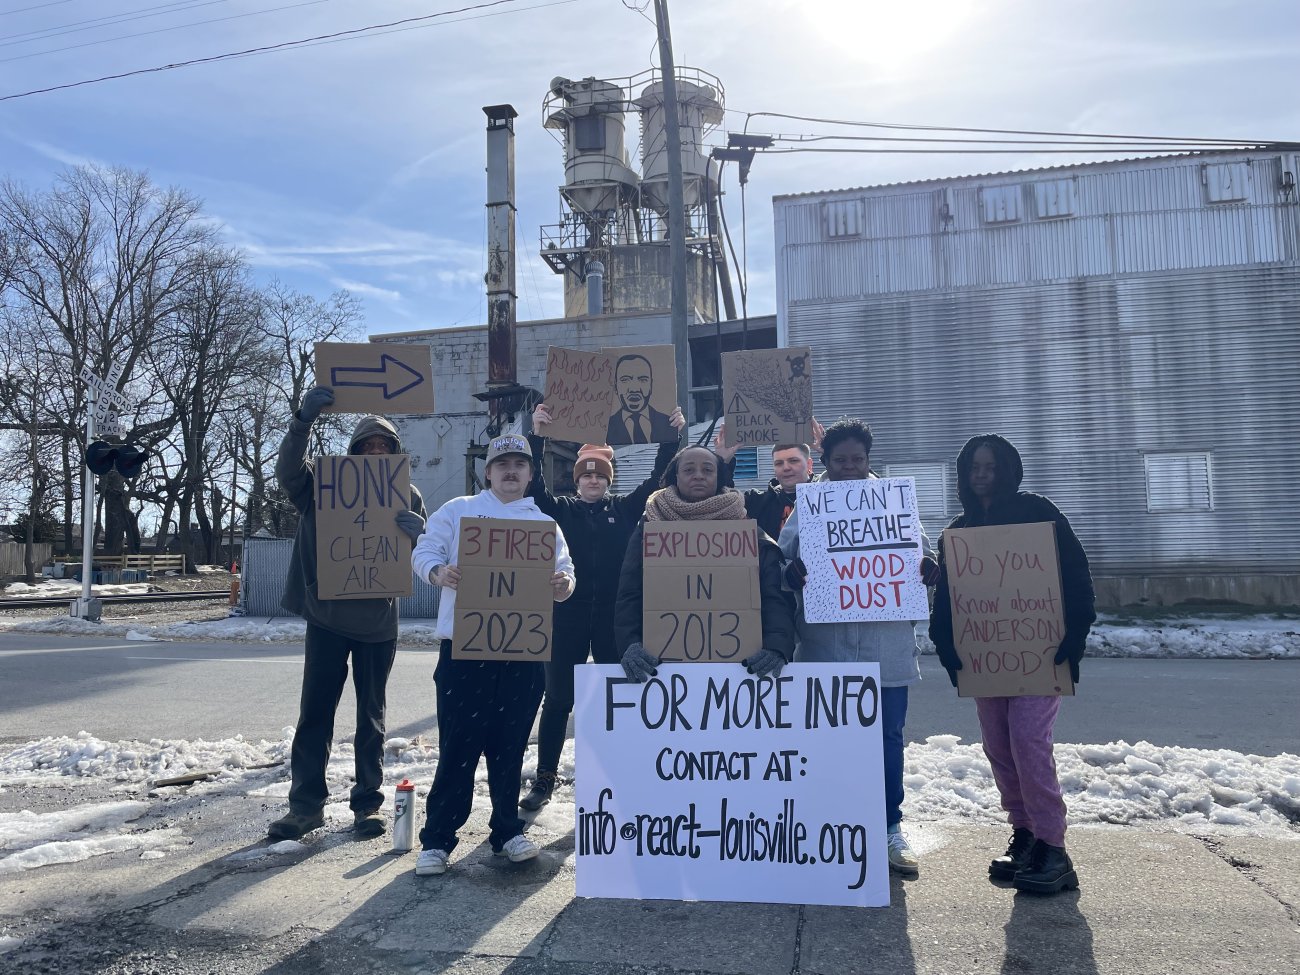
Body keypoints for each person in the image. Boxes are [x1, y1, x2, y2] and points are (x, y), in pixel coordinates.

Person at [928, 434, 1096, 895]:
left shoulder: (1038, 512)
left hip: (1040, 654)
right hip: (986, 656)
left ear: (1008, 470)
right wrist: (946, 644)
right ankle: (1024, 834)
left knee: (1028, 741)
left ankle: (1054, 848)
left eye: (991, 466)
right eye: (973, 468)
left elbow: (1077, 576)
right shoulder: (958, 530)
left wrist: (1073, 637)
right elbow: (949, 599)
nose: (982, 475)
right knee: (999, 746)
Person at [410, 433, 576, 877]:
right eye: (502, 463)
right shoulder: (458, 511)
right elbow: (422, 551)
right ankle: (438, 839)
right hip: (464, 651)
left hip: (522, 654)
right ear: (488, 471)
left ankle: (506, 830)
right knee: (458, 747)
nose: (510, 471)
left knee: (511, 748)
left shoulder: (543, 523)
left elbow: (565, 570)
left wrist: (564, 585)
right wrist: (438, 571)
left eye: (519, 464)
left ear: (528, 473)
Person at [777, 417, 935, 876]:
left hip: (885, 646)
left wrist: (928, 568)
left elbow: (917, 552)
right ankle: (831, 825)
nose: (849, 467)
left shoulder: (893, 501)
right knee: (828, 740)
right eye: (840, 460)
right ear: (824, 462)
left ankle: (888, 826)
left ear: (869, 461)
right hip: (826, 645)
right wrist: (790, 575)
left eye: (857, 460)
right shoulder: (810, 504)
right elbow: (786, 559)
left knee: (887, 739)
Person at [269, 385, 426, 841]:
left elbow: (427, 558)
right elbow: (286, 473)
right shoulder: (323, 484)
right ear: (353, 451)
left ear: (395, 453)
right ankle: (305, 807)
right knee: (314, 715)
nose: (376, 452)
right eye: (367, 445)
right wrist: (302, 421)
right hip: (325, 618)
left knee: (371, 720)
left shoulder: (407, 494)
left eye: (385, 446)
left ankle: (367, 806)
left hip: (378, 624)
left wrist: (421, 533)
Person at [519, 401, 685, 810]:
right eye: (586, 474)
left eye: (599, 474)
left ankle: (625, 771)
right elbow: (534, 488)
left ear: (608, 481)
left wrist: (673, 437)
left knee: (623, 695)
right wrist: (537, 435)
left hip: (615, 621)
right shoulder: (559, 511)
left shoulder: (628, 509)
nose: (592, 479)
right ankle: (544, 778)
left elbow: (659, 479)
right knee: (558, 699)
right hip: (567, 617)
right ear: (577, 481)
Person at [615, 445, 797, 683]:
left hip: (738, 669)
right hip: (663, 669)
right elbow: (630, 591)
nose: (698, 475)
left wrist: (776, 645)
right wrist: (630, 644)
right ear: (675, 477)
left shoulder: (743, 524)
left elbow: (772, 591)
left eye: (707, 469)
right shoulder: (650, 525)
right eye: (689, 469)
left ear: (718, 476)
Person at [712, 419, 824, 540]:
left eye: (793, 461)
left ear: (809, 464)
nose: (786, 467)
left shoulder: (826, 495)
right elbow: (722, 503)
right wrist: (722, 462)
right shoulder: (757, 502)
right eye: (779, 463)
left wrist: (827, 451)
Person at [606, 353, 676, 445]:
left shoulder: (668, 423)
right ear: (615, 386)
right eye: (625, 380)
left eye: (643, 380)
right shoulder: (604, 428)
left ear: (651, 385)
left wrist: (679, 429)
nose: (634, 389)